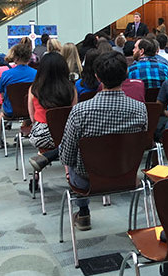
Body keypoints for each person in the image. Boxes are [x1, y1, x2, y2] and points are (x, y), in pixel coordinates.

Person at [59, 51, 148, 231]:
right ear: (126, 75)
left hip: (87, 180)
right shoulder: (140, 109)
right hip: (127, 175)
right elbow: (141, 146)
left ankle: (83, 211)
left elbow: (67, 158)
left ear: (97, 76)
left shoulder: (80, 111)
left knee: (72, 162)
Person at [27, 52, 78, 172]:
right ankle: (67, 171)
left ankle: (41, 165)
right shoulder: (71, 89)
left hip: (42, 136)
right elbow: (74, 114)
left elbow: (32, 118)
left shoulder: (34, 89)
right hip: (66, 134)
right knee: (70, 140)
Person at [0, 43, 37, 147]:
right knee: (28, 108)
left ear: (15, 58)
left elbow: (2, 94)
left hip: (11, 110)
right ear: (29, 58)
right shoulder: (36, 74)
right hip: (31, 111)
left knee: (2, 114)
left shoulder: (6, 74)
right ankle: (22, 132)